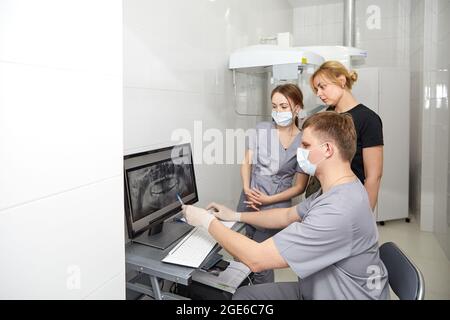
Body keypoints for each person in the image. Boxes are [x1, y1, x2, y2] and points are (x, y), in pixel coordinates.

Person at [182, 112, 390, 300]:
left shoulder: (339, 209)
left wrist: (205, 221)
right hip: (318, 288)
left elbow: (257, 259)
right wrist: (235, 216)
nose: (299, 151)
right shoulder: (338, 188)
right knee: (244, 296)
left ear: (327, 149)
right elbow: (287, 215)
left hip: (341, 295)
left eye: (306, 145)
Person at [237, 83, 309, 284]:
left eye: (284, 106)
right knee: (240, 253)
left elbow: (300, 186)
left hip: (276, 207)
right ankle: (246, 295)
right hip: (249, 199)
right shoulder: (261, 129)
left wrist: (270, 199)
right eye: (274, 106)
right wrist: (246, 188)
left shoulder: (304, 140)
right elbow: (247, 162)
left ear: (297, 107)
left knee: (261, 263)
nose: (278, 111)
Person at [307, 61, 383, 210]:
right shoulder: (325, 116)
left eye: (323, 87)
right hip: (320, 195)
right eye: (316, 89)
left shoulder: (368, 119)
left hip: (348, 200)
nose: (319, 94)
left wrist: (365, 213)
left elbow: (374, 175)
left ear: (341, 81)